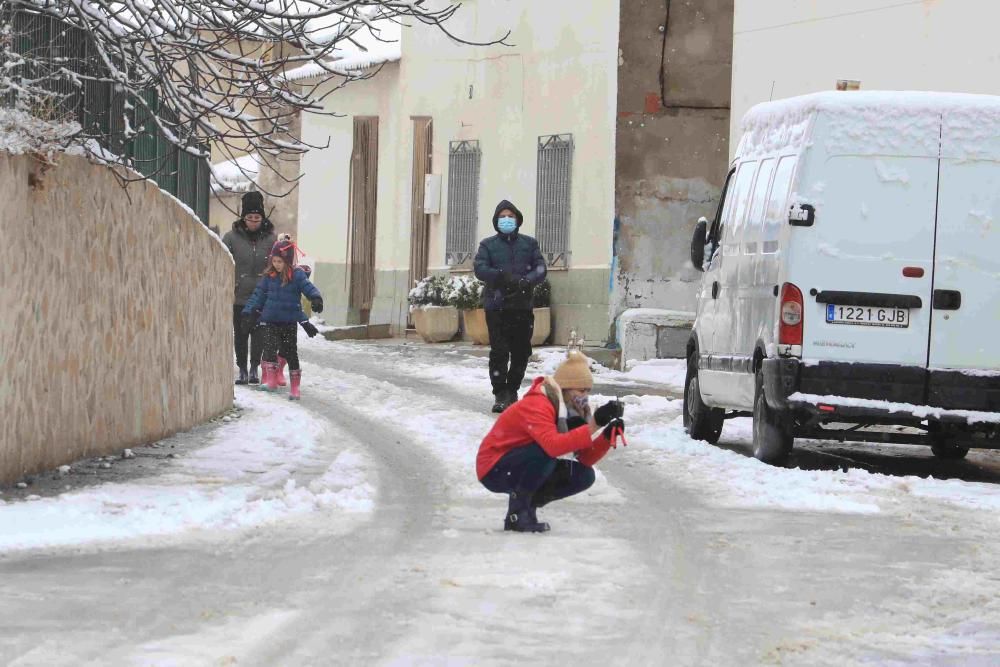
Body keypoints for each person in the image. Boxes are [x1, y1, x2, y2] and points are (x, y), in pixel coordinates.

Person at [476, 351, 626, 533]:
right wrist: (594, 425)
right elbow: (553, 446)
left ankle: (527, 507)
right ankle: (518, 514)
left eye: (588, 390)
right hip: (494, 467)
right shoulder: (538, 404)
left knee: (583, 475)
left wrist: (607, 436)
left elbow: (584, 458)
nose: (585, 396)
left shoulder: (571, 411)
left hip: (521, 462)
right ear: (564, 388)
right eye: (581, 390)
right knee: (546, 452)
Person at [474, 199, 547, 413]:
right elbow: (479, 268)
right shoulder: (488, 245)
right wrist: (500, 276)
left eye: (511, 216)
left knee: (521, 351)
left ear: (518, 219)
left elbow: (540, 268)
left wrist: (528, 280)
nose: (507, 220)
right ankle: (500, 393)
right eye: (502, 217)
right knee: (499, 351)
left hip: (521, 306)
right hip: (497, 306)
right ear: (496, 221)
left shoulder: (529, 244)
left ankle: (513, 390)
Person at [241, 235, 323, 400]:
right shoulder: (269, 277)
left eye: (280, 262)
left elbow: (309, 288)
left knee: (291, 353)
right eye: (274, 261)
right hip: (270, 320)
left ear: (287, 262)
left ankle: (295, 388)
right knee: (270, 349)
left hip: (289, 321)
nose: (276, 265)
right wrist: (248, 311)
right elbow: (258, 295)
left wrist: (315, 298)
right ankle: (271, 380)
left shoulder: (297, 276)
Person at [222, 191, 277, 385]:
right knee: (241, 333)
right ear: (243, 218)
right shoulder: (231, 238)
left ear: (262, 218)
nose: (253, 222)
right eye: (250, 218)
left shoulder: (271, 239)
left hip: (263, 295)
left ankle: (254, 368)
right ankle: (243, 369)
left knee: (259, 334)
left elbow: (280, 263)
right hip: (239, 296)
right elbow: (221, 261)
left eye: (257, 218)